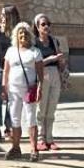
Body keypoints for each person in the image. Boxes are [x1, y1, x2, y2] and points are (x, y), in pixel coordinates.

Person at [1, 20, 44, 160]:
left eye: (25, 33)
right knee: (14, 118)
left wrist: (40, 88)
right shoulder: (10, 51)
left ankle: (33, 149)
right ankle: (15, 147)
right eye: (20, 33)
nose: (23, 35)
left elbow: (40, 73)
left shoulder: (35, 52)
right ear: (16, 35)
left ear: (30, 35)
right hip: (13, 90)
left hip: (28, 90)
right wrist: (4, 87)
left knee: (31, 118)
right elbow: (6, 71)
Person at [32, 12, 69, 152]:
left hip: (55, 74)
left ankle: (50, 138)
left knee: (52, 107)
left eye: (48, 24)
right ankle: (40, 139)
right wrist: (52, 59)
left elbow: (59, 58)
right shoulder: (34, 43)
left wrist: (61, 62)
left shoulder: (54, 41)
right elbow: (36, 63)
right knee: (42, 108)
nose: (46, 26)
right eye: (43, 24)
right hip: (43, 74)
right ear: (37, 26)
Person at [0, 5, 18, 140]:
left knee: (10, 99)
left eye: (3, 15)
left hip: (13, 69)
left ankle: (9, 127)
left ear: (10, 16)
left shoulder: (17, 32)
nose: (1, 17)